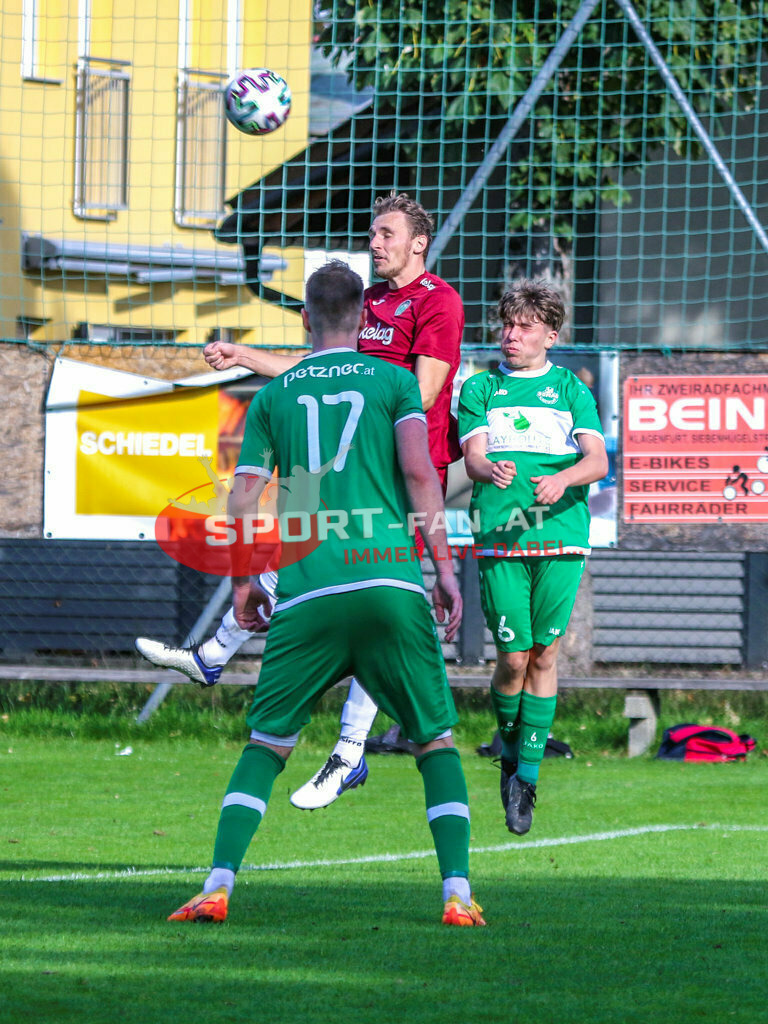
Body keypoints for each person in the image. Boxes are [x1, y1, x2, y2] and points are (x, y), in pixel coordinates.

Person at [167, 261, 484, 927]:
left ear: (306, 320)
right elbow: (419, 474)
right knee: (436, 745)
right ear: (366, 320)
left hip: (309, 592)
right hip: (387, 582)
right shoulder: (394, 380)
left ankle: (217, 886)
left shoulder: (276, 397)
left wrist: (246, 581)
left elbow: (248, 495)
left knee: (267, 745)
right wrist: (446, 570)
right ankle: (457, 894)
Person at [136, 192, 464, 810]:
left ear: (419, 243)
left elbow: (416, 393)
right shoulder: (370, 305)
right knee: (312, 568)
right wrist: (243, 356)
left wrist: (365, 415)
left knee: (375, 594)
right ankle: (227, 664)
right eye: (372, 233)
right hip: (362, 461)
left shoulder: (437, 301)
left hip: (399, 469)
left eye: (387, 234)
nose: (375, 243)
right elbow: (322, 366)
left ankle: (345, 745)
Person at [457, 279, 608, 836]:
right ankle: (510, 745)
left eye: (523, 327)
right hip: (500, 536)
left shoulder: (570, 388)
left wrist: (563, 477)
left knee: (545, 655)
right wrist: (486, 468)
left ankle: (525, 776)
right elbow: (472, 457)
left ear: (551, 334)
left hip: (562, 536)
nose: (510, 335)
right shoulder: (479, 389)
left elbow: (597, 461)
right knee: (513, 659)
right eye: (506, 325)